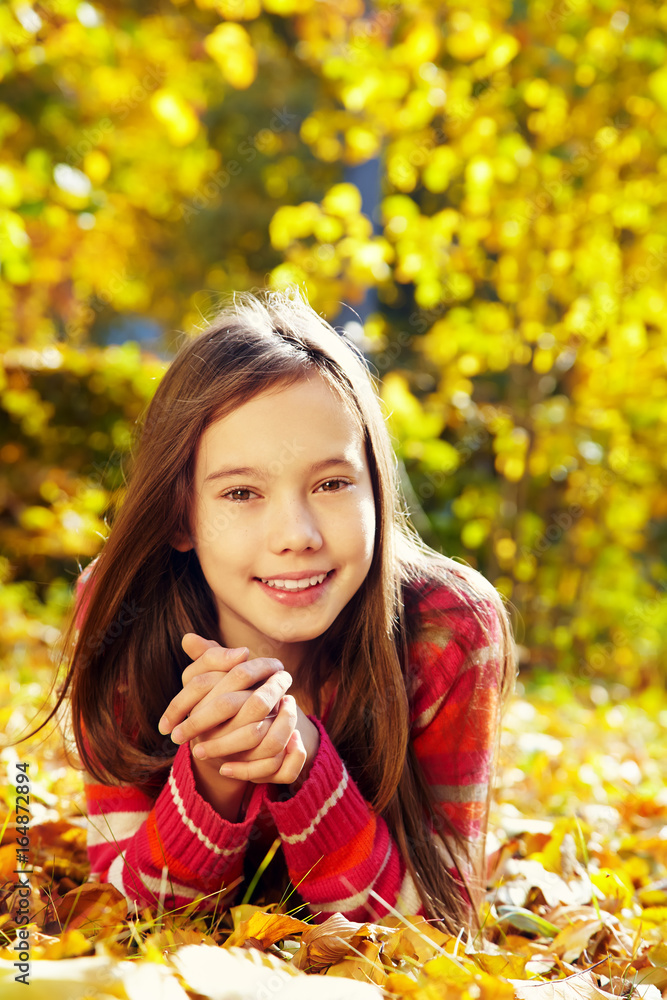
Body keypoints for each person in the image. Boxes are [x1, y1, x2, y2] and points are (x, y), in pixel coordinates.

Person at [44, 286, 517, 933]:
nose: (296, 534)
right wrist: (213, 776)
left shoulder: (449, 627)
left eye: (330, 484)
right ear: (181, 514)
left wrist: (308, 770)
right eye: (241, 492)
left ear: (375, 490)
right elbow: (123, 924)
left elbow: (436, 932)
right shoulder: (121, 608)